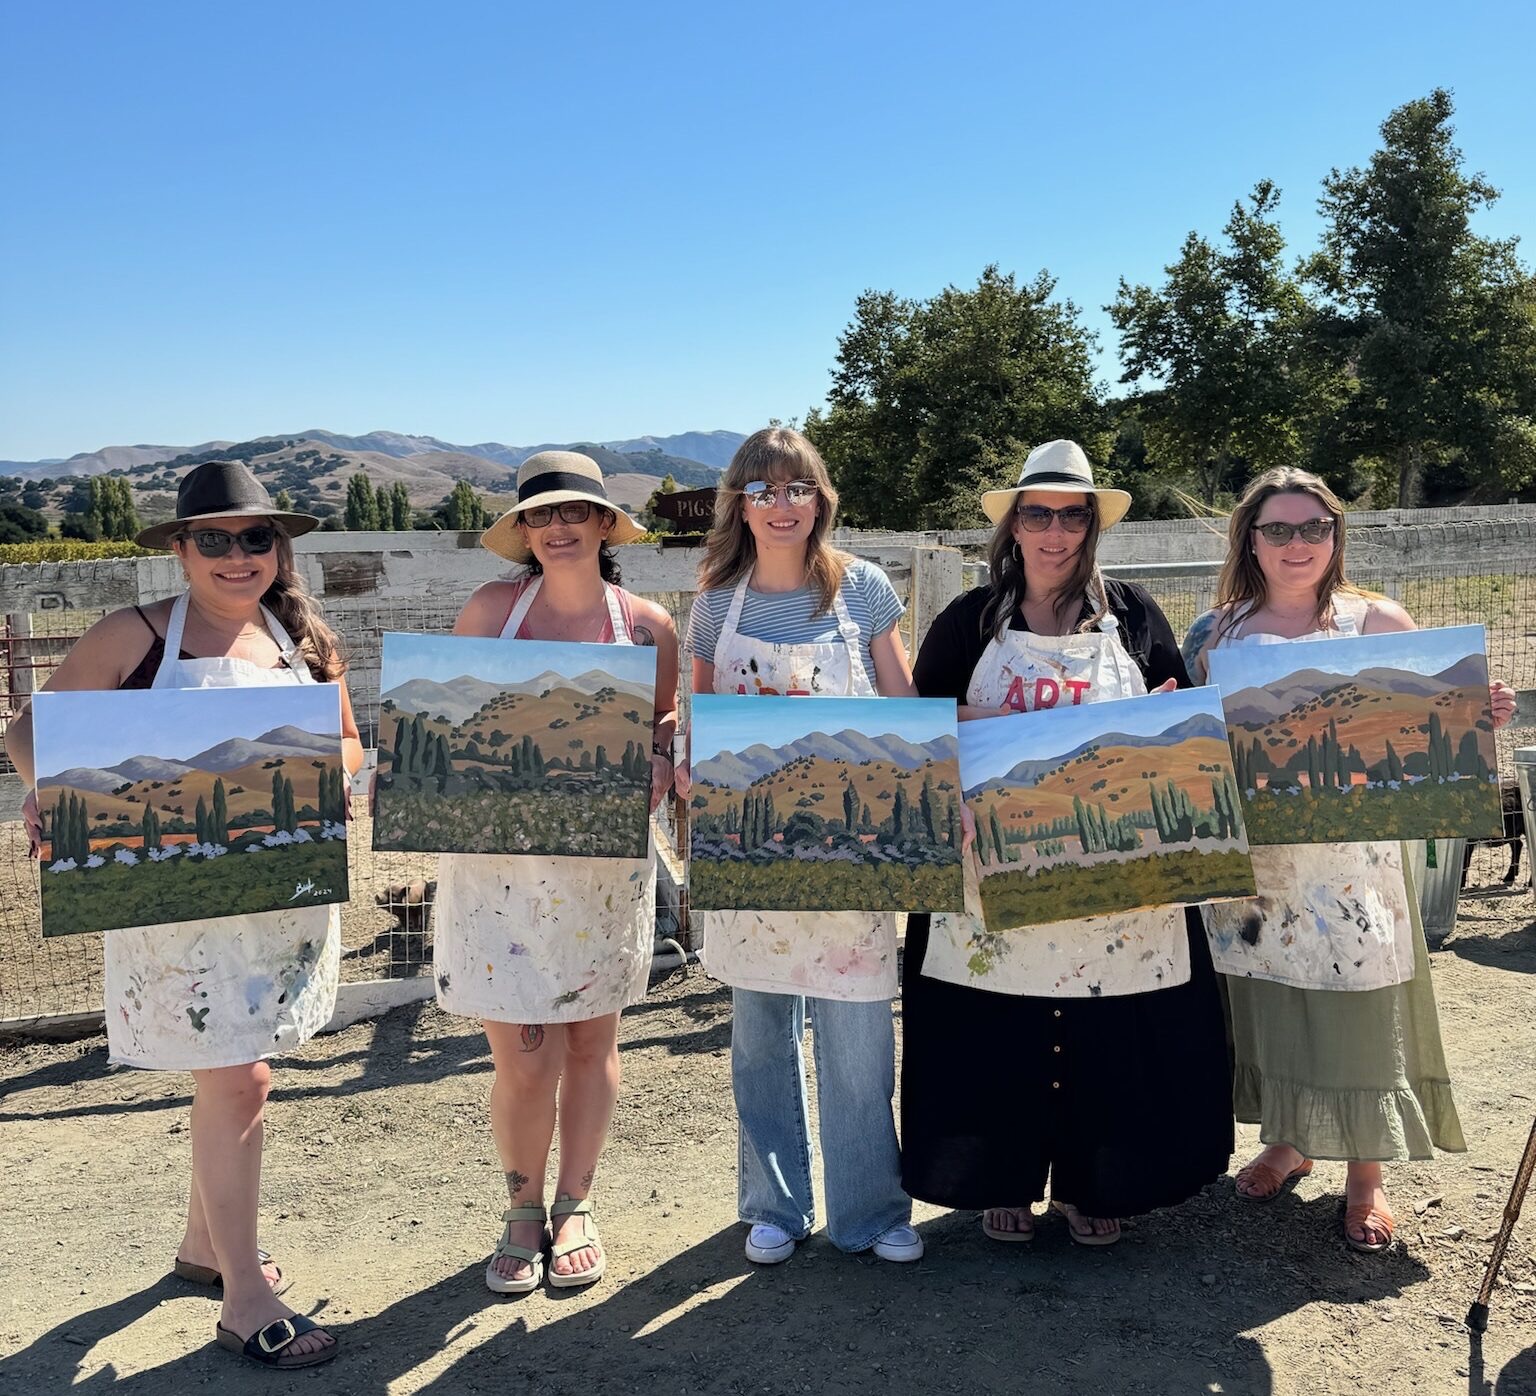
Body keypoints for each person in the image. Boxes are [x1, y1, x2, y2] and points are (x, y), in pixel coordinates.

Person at [10, 460, 360, 1368]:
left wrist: (339, 777)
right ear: (179, 549)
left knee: (239, 1075)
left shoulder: (300, 637)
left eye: (256, 538)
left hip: (276, 899)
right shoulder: (132, 635)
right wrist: (43, 791)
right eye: (215, 538)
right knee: (238, 1079)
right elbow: (27, 730)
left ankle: (204, 1249)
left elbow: (349, 739)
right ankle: (246, 1298)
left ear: (277, 548)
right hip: (172, 905)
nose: (238, 555)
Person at [901, 440, 1234, 1247]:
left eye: (1072, 514)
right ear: (1013, 524)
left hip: (1114, 866)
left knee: (1112, 1028)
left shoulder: (1136, 614)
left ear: (1092, 526)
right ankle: (1001, 1177)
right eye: (1038, 513)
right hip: (998, 867)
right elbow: (915, 734)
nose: (1055, 531)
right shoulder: (967, 621)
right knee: (993, 1023)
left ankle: (1098, 1182)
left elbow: (1185, 726)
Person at [1183, 467, 1517, 1252]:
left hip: (1354, 863)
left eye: (1314, 528)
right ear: (1250, 540)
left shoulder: (1377, 622)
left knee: (1362, 1007)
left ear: (1335, 537)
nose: (1297, 544)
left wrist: (1482, 712)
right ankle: (1289, 1143)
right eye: (1278, 529)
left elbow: (1433, 731)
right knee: (1274, 1002)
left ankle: (1366, 1178)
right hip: (1260, 867)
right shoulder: (1216, 633)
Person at [433, 451, 679, 1293]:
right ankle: (521, 1206)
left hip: (602, 873)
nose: (560, 527)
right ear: (524, 531)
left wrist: (656, 755)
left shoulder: (648, 625)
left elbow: (663, 721)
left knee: (590, 1039)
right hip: (497, 874)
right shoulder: (490, 611)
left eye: (577, 513)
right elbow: (451, 724)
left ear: (606, 525)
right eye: (542, 515)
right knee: (525, 1057)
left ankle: (575, 1203)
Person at [684, 426, 924, 1265]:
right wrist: (692, 773)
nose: (781, 506)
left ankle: (871, 1211)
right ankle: (775, 1207)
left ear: (822, 499)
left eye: (797, 489)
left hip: (851, 846)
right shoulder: (717, 598)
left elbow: (901, 700)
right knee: (759, 1037)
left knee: (859, 1040)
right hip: (752, 848)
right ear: (739, 505)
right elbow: (704, 719)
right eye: (762, 490)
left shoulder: (862, 589)